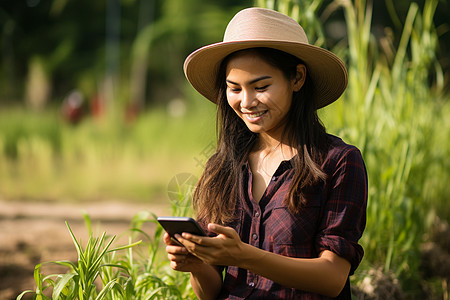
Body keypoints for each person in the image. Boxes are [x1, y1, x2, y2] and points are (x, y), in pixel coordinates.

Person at [163, 7, 367, 299]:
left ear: (297, 78)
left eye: (261, 86)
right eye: (234, 88)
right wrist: (196, 264)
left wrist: (244, 255)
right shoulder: (222, 167)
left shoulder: (339, 162)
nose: (246, 102)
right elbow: (211, 292)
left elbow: (332, 277)